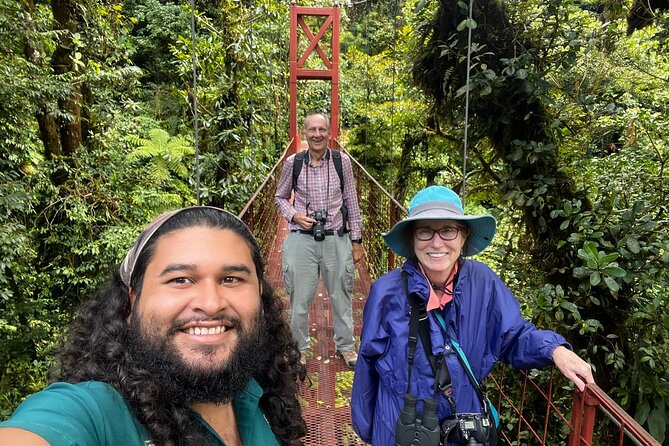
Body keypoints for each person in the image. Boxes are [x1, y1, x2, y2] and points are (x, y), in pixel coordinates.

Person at [0, 206, 306, 446]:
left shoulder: (260, 391)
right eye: (180, 280)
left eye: (231, 279)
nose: (211, 303)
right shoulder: (96, 414)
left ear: (260, 297)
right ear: (132, 302)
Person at [351, 186, 594, 446]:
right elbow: (367, 365)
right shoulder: (386, 293)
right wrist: (369, 430)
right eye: (424, 231)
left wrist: (555, 350)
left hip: (463, 430)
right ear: (412, 239)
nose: (436, 242)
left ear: (463, 237)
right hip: (400, 430)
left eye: (448, 230)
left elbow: (513, 335)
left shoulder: (482, 282)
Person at [274, 113, 363, 368]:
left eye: (322, 129)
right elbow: (279, 197)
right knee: (299, 300)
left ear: (329, 132)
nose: (317, 134)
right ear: (305, 133)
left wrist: (356, 241)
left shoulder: (341, 161)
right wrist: (295, 216)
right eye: (312, 129)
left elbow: (352, 201)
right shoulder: (294, 162)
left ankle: (346, 347)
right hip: (302, 237)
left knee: (341, 296)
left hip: (336, 236)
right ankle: (299, 349)